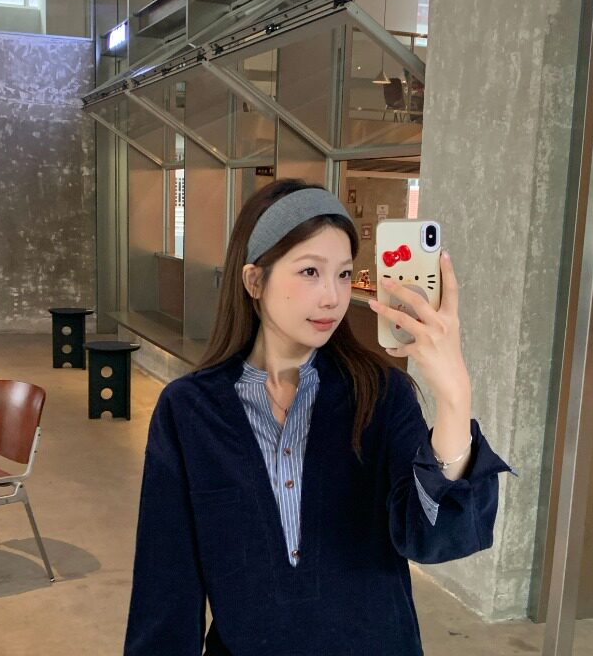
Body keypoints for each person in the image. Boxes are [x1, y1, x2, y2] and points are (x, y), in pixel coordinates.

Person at [123, 178, 517, 655]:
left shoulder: (380, 395)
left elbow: (436, 539)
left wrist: (455, 398)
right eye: (310, 271)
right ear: (254, 281)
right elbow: (165, 588)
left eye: (344, 274)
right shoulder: (190, 410)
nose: (333, 296)